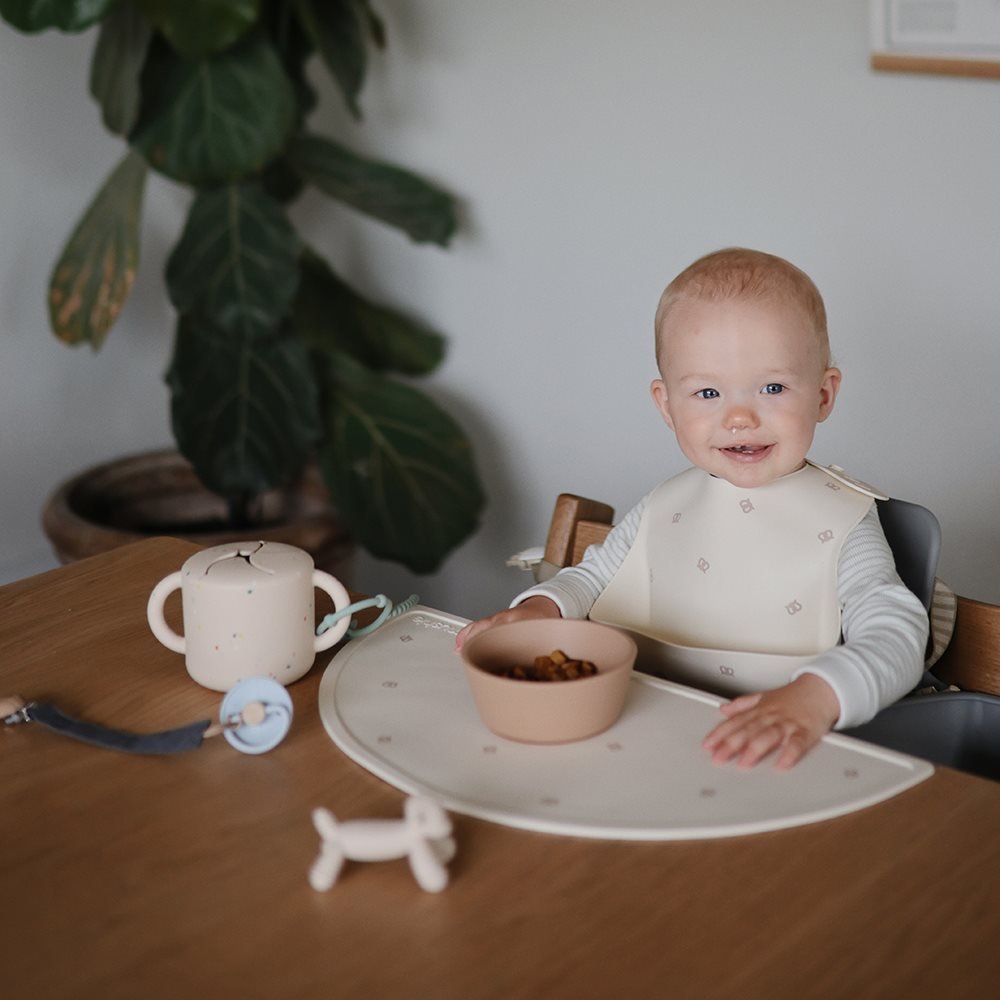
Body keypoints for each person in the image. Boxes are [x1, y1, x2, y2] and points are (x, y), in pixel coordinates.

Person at [456, 247, 929, 770]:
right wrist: (537, 610)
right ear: (666, 405)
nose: (741, 417)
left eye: (773, 387)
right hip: (639, 732)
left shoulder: (842, 518)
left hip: (772, 749)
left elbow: (896, 633)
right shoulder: (665, 505)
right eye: (707, 392)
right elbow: (591, 579)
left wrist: (816, 699)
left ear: (822, 394)